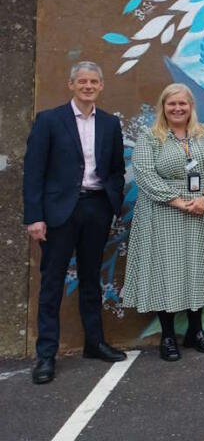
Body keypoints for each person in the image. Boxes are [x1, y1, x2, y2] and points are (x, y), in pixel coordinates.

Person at [22, 61, 127, 384]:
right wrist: (34, 217)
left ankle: (94, 343)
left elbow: (116, 169)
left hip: (96, 209)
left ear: (101, 86)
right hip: (58, 214)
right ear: (71, 85)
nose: (87, 86)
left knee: (91, 279)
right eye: (81, 81)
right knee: (52, 282)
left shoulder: (110, 124)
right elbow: (34, 172)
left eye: (93, 81)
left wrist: (111, 202)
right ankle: (46, 355)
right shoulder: (49, 121)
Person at [122, 84, 204, 361]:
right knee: (167, 269)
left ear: (191, 106)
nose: (177, 108)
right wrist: (179, 201)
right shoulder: (150, 137)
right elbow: (144, 174)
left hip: (203, 210)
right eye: (171, 104)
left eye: (183, 103)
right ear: (163, 107)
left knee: (198, 267)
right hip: (164, 211)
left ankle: (196, 330)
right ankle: (168, 336)